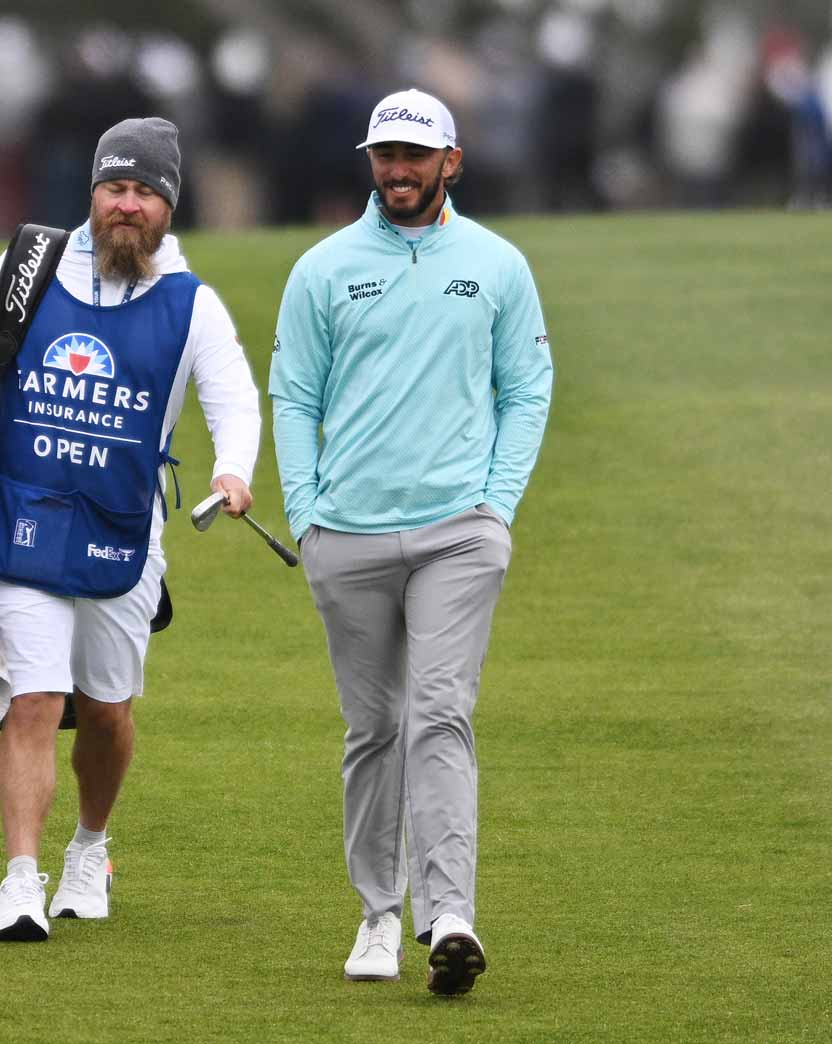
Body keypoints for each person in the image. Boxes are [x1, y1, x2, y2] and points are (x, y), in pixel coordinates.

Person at [0, 117, 262, 943]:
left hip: (124, 530)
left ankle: (90, 846)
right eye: (115, 188)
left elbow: (234, 396)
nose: (127, 205)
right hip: (25, 514)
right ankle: (19, 882)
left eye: (145, 192)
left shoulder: (193, 302)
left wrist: (234, 469)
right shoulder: (29, 268)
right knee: (34, 702)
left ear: (168, 206)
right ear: (92, 192)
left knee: (107, 710)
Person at [269, 88, 553, 995]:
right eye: (385, 155)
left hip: (458, 534)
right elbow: (296, 396)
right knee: (373, 729)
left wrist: (496, 505)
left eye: (414, 157)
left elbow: (528, 389)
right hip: (345, 534)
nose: (397, 170)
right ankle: (378, 916)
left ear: (450, 162)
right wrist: (307, 513)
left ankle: (450, 914)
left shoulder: (498, 264)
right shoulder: (322, 267)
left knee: (439, 713)